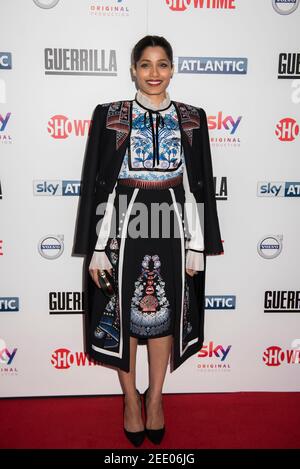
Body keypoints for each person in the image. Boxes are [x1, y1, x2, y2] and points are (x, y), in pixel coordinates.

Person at [73, 35, 223, 447]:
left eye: (161, 64)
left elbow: (198, 185)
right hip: (123, 222)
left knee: (164, 316)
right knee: (123, 316)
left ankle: (155, 398)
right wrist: (98, 247)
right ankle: (129, 401)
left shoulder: (193, 117)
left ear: (172, 69)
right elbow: (98, 186)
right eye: (145, 64)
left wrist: (197, 244)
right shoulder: (110, 115)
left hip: (173, 224)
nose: (153, 73)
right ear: (133, 70)